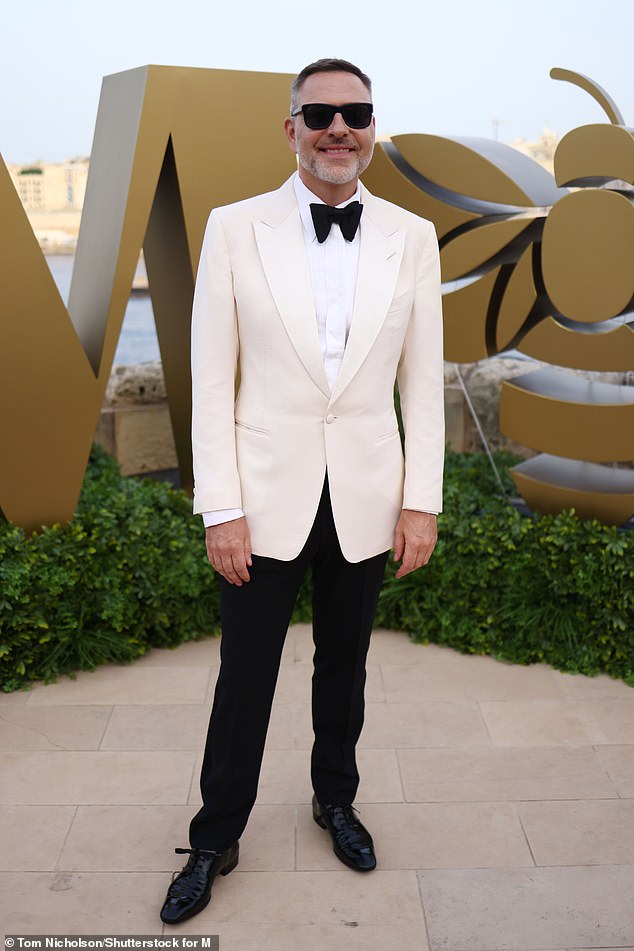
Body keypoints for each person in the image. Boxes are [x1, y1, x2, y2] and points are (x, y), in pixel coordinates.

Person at [160, 57, 444, 925]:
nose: (338, 129)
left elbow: (423, 384)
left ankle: (335, 799)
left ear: (371, 129)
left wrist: (421, 498)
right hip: (265, 494)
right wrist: (222, 505)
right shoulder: (232, 227)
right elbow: (211, 381)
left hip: (366, 491)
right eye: (319, 112)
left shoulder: (412, 235)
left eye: (355, 113)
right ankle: (215, 835)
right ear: (291, 128)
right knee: (244, 674)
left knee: (346, 666)